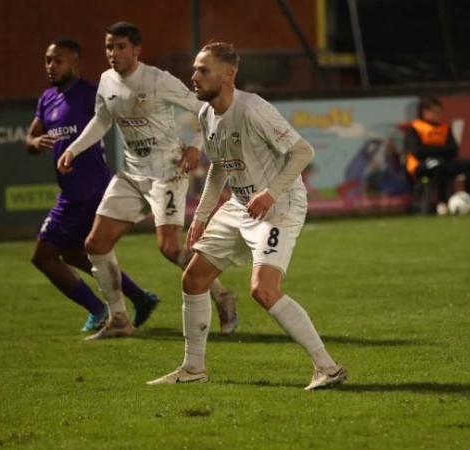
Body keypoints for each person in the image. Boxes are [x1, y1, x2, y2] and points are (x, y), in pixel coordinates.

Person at [147, 42, 346, 391]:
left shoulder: (253, 109)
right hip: (240, 206)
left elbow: (303, 151)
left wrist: (270, 193)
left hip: (279, 206)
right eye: (194, 69)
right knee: (193, 279)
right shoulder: (208, 115)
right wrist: (202, 215)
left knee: (263, 290)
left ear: (228, 75)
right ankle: (193, 368)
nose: (193, 77)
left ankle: (327, 368)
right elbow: (220, 168)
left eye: (202, 70)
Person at [56, 23, 237, 340]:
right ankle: (118, 319)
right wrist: (73, 149)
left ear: (137, 50)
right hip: (132, 174)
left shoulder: (157, 79)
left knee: (169, 248)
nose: (114, 53)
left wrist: (196, 145)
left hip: (167, 171)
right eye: (109, 47)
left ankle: (222, 296)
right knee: (95, 244)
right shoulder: (107, 81)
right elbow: (102, 119)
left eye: (121, 46)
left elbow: (206, 107)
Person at [26, 37, 158, 332]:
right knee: (76, 253)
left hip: (90, 190)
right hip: (71, 192)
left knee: (44, 255)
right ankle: (140, 298)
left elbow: (122, 112)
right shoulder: (47, 98)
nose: (51, 66)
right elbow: (30, 139)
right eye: (48, 60)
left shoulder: (90, 94)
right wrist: (35, 141)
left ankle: (99, 310)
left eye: (58, 60)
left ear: (75, 61)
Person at [404, 96, 470, 215]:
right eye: (435, 112)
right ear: (425, 112)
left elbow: (453, 149)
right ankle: (441, 203)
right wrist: (440, 150)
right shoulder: (414, 128)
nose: (439, 115)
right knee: (439, 166)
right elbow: (417, 151)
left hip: (443, 161)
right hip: (420, 166)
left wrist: (432, 150)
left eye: (440, 112)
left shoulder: (445, 128)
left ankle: (468, 199)